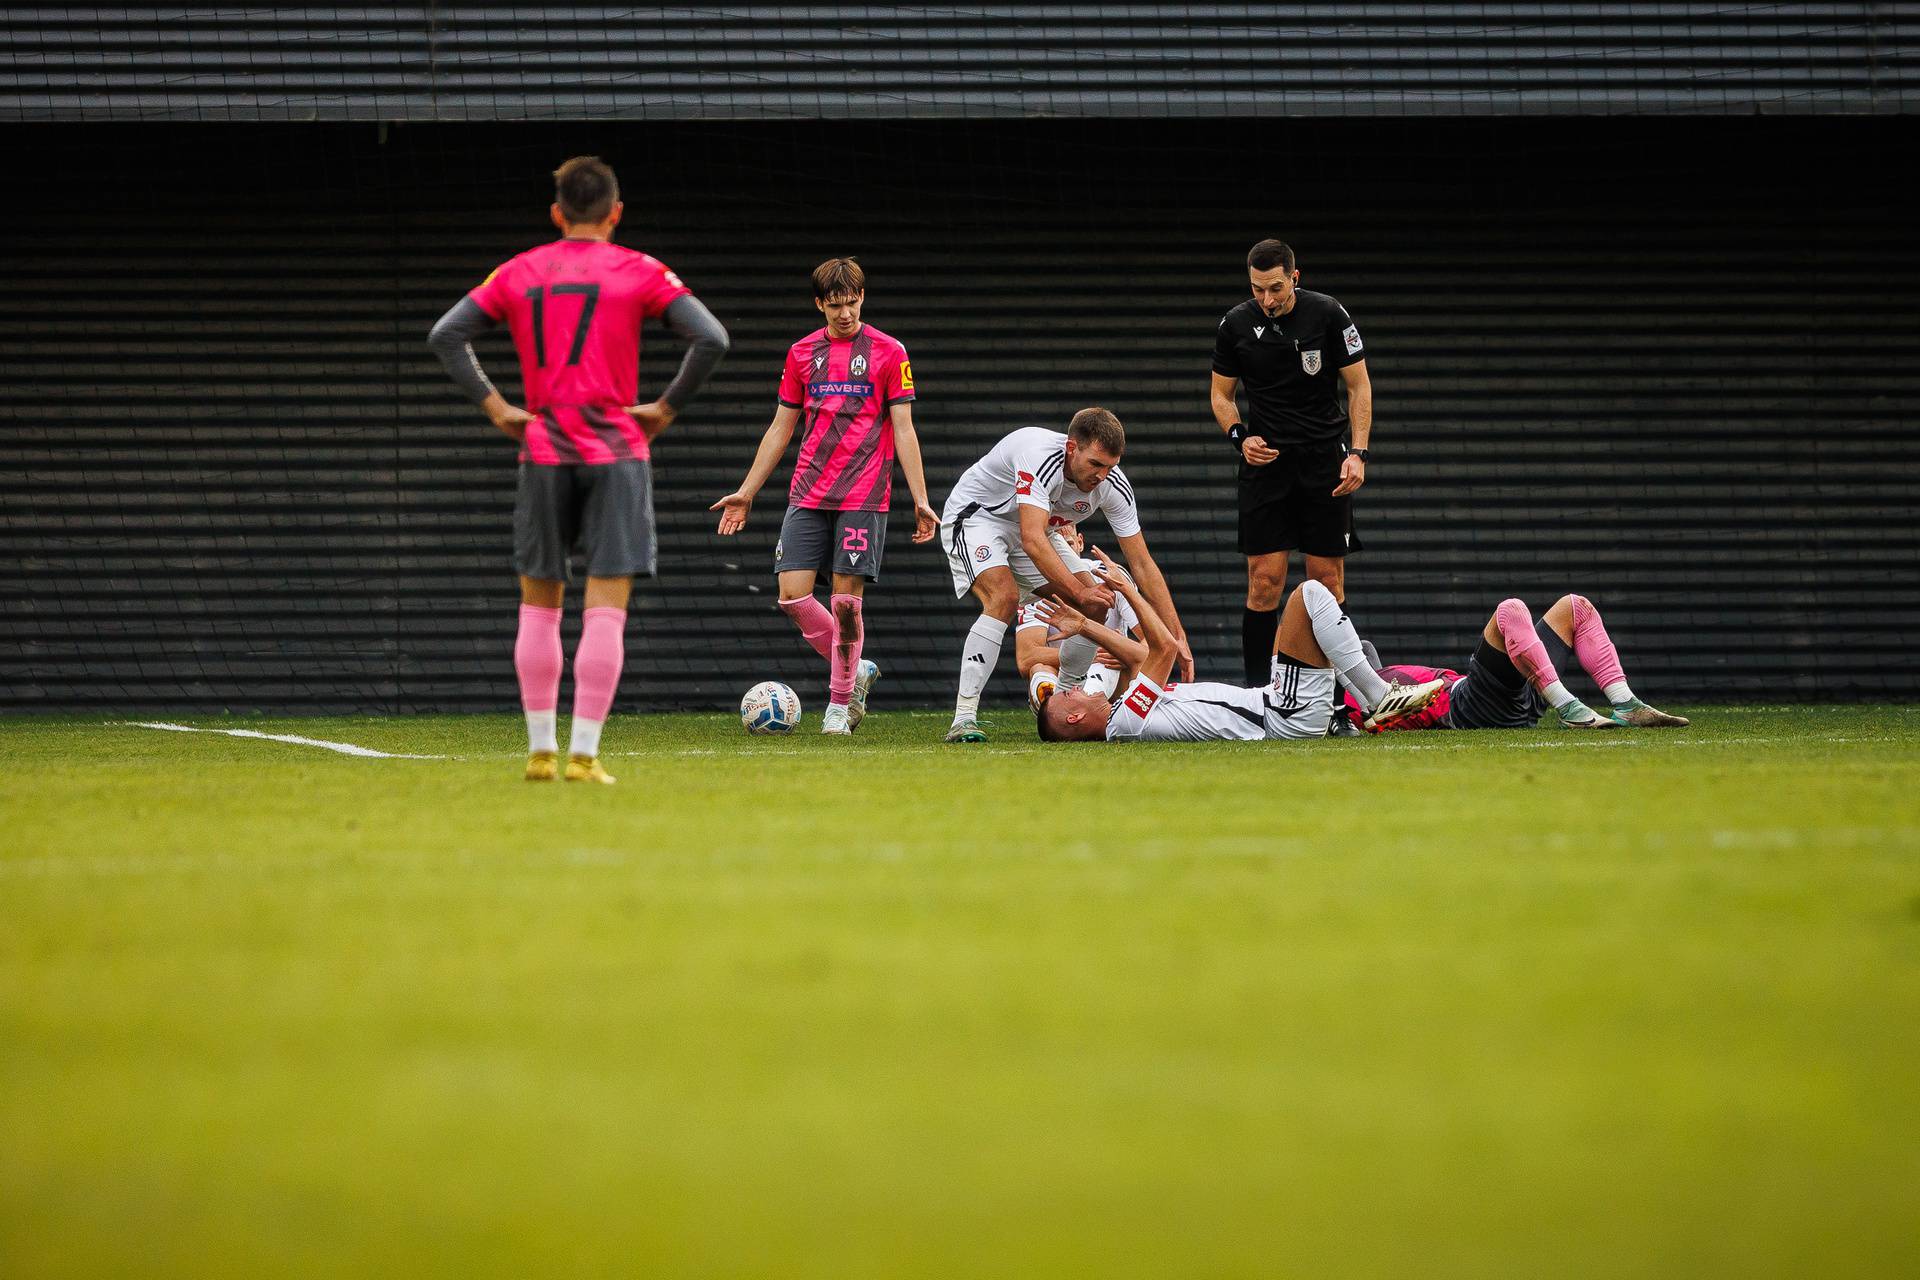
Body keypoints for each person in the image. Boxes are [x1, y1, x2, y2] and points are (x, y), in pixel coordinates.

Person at [427, 155, 729, 784]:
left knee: (538, 606)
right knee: (605, 609)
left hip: (542, 450)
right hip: (617, 452)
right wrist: (666, 409)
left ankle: (540, 751)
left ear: (557, 213)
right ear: (616, 213)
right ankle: (584, 755)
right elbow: (711, 339)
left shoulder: (519, 270)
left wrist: (499, 409)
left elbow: (447, 335)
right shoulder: (640, 270)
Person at [710, 258, 937, 734]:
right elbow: (780, 427)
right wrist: (747, 492)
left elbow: (904, 429)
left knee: (845, 604)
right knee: (792, 596)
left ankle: (838, 705)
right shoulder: (801, 354)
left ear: (862, 298)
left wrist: (920, 497)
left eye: (852, 302)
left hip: (864, 495)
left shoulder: (890, 352)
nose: (845, 314)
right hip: (808, 491)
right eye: (835, 305)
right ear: (820, 304)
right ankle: (857, 667)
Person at [939, 409, 1191, 743]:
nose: (1102, 476)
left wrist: (1177, 635)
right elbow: (1032, 538)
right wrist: (1076, 589)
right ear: (1072, 448)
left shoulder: (1113, 485)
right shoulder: (1038, 454)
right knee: (1003, 597)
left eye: (1111, 467)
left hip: (1037, 532)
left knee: (1097, 605)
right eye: (1095, 464)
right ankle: (964, 718)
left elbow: (1142, 563)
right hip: (979, 518)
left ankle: (1062, 702)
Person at [1033, 557, 1443, 743]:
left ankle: (1355, 699)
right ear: (1074, 716)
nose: (1077, 688)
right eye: (1070, 695)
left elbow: (1145, 658)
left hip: (1278, 704)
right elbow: (1166, 648)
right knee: (1313, 594)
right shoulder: (1122, 725)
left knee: (1338, 637)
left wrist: (1087, 624)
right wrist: (1126, 590)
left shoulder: (1125, 710)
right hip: (1284, 717)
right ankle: (1374, 699)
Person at [1210, 238, 1374, 686]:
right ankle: (1259, 697)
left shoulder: (1329, 314)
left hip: (1324, 463)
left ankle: (1337, 702)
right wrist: (1239, 437)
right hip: (1266, 468)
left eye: (1276, 289)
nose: (1266, 299)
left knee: (1326, 583)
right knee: (1264, 581)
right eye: (1257, 289)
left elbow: (1359, 387)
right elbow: (1221, 396)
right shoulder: (1235, 325)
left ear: (1294, 278)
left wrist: (1357, 453)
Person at [1338, 594, 1690, 731]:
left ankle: (1625, 704)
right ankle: (1568, 707)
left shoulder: (1370, 675)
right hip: (1472, 706)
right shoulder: (1350, 707)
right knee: (1509, 611)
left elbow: (1363, 648)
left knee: (1575, 607)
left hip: (1509, 694)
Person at [1015, 528, 1139, 707]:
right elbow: (1026, 658)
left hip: (1114, 675)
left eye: (1068, 544)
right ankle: (1060, 706)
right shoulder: (1036, 587)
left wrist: (1124, 651)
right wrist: (1088, 656)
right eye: (1053, 548)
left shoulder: (1108, 576)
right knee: (1039, 669)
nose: (1062, 556)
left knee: (1111, 662)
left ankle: (1067, 706)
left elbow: (1150, 642)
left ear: (1080, 543)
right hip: (1065, 673)